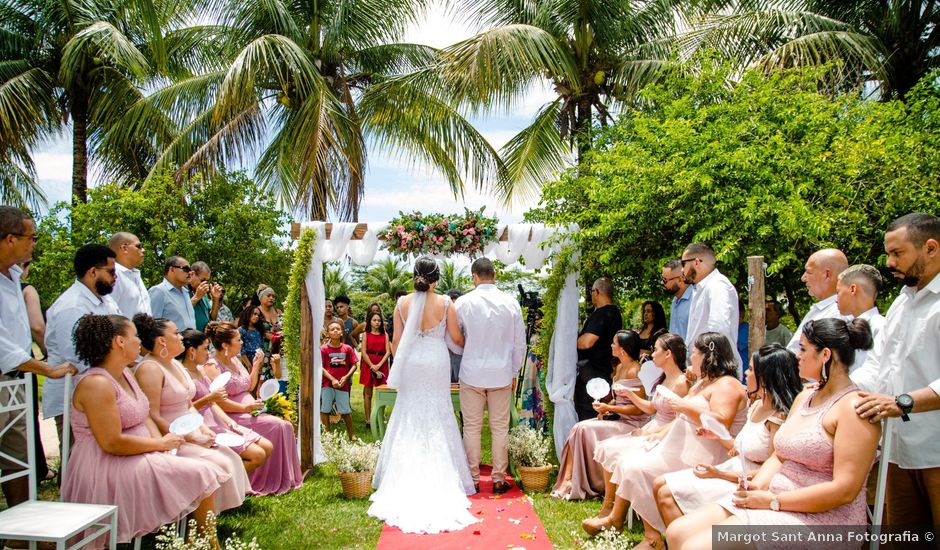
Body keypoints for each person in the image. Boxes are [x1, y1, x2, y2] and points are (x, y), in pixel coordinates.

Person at [666, 318, 879, 550]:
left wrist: (775, 501)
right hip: (774, 497)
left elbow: (845, 490)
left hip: (825, 519)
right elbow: (779, 455)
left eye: (803, 349)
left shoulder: (854, 409)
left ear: (825, 355)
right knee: (677, 533)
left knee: (695, 547)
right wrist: (757, 486)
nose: (797, 355)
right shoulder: (804, 397)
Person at [64, 314, 226, 547]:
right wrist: (160, 445)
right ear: (120, 341)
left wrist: (163, 443)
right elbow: (112, 443)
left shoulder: (125, 374)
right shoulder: (97, 384)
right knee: (201, 473)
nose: (139, 341)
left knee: (203, 470)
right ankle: (207, 545)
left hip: (139, 452)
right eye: (135, 336)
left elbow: (143, 415)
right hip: (106, 465)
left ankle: (199, 542)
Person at [584, 332, 748, 550]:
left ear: (708, 356)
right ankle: (648, 534)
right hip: (676, 447)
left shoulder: (727, 385)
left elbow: (721, 422)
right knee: (627, 464)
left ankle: (651, 538)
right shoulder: (703, 383)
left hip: (705, 455)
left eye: (696, 354)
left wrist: (683, 406)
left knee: (635, 469)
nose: (691, 359)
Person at [368, 256, 477, 533]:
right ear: (436, 279)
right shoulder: (445, 303)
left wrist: (400, 366)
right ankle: (442, 476)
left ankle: (403, 477)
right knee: (439, 412)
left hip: (413, 361)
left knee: (409, 413)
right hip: (436, 361)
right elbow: (455, 338)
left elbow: (395, 342)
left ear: (413, 275)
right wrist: (469, 343)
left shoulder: (401, 303)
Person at [851, 213, 940, 527]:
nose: (889, 262)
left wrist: (901, 402)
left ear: (931, 248)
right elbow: (881, 364)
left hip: (935, 451)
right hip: (897, 449)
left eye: (897, 253)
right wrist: (841, 392)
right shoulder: (903, 302)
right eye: (888, 253)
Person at [654, 344, 802, 528]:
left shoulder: (778, 418)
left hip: (746, 482)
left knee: (666, 494)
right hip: (732, 469)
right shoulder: (756, 406)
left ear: (766, 376)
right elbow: (743, 448)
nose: (745, 374)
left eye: (750, 369)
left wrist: (719, 473)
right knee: (659, 484)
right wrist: (718, 437)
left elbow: (770, 473)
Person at [132, 314, 249, 511]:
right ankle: (199, 521)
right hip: (171, 436)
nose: (180, 337)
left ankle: (212, 515)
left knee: (231, 458)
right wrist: (189, 438)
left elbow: (188, 404)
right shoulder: (149, 369)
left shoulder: (175, 364)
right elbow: (152, 415)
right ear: (162, 341)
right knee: (218, 462)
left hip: (192, 429)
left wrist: (203, 429)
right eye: (175, 333)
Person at [0, 206, 75, 514]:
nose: (34, 243)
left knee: (19, 458)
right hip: (7, 375)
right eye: (31, 237)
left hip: (16, 381)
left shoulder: (14, 277)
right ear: (8, 239)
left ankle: (22, 530)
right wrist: (47, 369)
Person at [591, 333, 689, 520]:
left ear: (668, 354)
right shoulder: (664, 378)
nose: (652, 354)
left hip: (666, 437)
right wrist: (630, 393)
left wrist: (651, 433)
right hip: (652, 427)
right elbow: (651, 407)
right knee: (606, 449)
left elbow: (681, 421)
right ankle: (609, 506)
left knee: (618, 454)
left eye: (656, 349)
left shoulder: (682, 383)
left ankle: (615, 516)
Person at [203, 321, 303, 495]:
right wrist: (245, 408)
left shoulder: (235, 360)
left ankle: (285, 477)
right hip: (231, 415)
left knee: (285, 425)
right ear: (225, 345)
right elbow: (217, 402)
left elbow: (248, 386)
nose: (242, 343)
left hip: (249, 410)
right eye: (238, 340)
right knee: (279, 426)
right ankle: (261, 480)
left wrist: (256, 366)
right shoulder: (212, 366)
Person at [551, 330, 651, 500]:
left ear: (623, 350)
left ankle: (580, 481)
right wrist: (606, 408)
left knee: (582, 428)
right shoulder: (619, 367)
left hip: (633, 423)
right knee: (578, 428)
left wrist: (610, 408)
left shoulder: (636, 371)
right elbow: (618, 400)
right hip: (618, 419)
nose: (611, 345)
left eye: (614, 343)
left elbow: (638, 409)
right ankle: (569, 480)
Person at [455, 257, 526, 494]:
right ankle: (498, 479)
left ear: (474, 276)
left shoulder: (463, 302)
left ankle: (473, 479)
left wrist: (466, 352)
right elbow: (520, 344)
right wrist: (514, 370)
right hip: (501, 372)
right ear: (494, 275)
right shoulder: (511, 303)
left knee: (472, 428)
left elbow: (453, 339)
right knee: (499, 428)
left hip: (472, 371)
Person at [44, 244, 122, 440]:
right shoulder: (71, 306)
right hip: (74, 399)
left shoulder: (107, 301)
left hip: (104, 391)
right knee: (78, 458)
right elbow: (78, 357)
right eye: (111, 271)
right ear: (93, 272)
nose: (116, 277)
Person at [178, 328, 272, 474]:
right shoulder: (183, 374)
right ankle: (226, 484)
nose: (208, 352)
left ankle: (235, 484)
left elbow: (214, 403)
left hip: (218, 417)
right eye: (204, 349)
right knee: (257, 455)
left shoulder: (200, 370)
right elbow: (186, 409)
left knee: (267, 447)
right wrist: (209, 399)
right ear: (192, 351)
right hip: (202, 423)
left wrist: (228, 421)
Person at [18, 261, 54, 484]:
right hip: (20, 365)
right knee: (25, 423)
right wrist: (47, 353)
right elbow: (38, 327)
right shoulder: (26, 290)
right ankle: (36, 470)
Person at [681, 243, 742, 374]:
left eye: (683, 263)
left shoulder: (717, 286)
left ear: (696, 262)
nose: (682, 270)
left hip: (715, 369)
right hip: (703, 368)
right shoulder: (701, 288)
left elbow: (718, 329)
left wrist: (704, 364)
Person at [575, 277, 623, 420]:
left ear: (596, 292)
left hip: (592, 374)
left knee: (589, 414)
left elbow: (587, 342)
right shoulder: (616, 313)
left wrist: (573, 341)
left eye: (591, 292)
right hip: (604, 370)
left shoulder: (602, 314)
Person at [786, 248, 849, 354]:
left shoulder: (838, 313)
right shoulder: (822, 309)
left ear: (827, 274)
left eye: (809, 272)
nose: (803, 278)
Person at [834, 264, 885, 372]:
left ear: (853, 289)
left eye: (838, 292)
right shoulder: (847, 326)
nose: (836, 300)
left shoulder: (880, 327)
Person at [320, 319, 358, 440]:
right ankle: (327, 435)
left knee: (345, 410)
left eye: (338, 329)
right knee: (325, 409)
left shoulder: (347, 348)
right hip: (327, 384)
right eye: (332, 329)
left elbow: (354, 364)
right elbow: (321, 367)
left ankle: (352, 434)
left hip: (343, 385)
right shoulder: (324, 349)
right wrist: (332, 379)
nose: (335, 330)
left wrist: (346, 377)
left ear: (342, 333)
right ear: (328, 333)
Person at [108, 232, 151, 318]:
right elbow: (109, 314)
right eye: (139, 246)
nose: (143, 250)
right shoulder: (113, 275)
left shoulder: (134, 274)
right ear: (124, 248)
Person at [360, 310, 391, 430]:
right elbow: (363, 351)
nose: (377, 322)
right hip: (368, 363)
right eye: (374, 320)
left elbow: (388, 352)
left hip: (381, 363)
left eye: (379, 320)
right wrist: (372, 365)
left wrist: (378, 365)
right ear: (370, 321)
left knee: (381, 393)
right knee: (368, 393)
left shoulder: (385, 335)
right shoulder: (366, 334)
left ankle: (380, 417)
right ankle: (368, 419)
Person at [148, 256, 197, 331]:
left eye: (190, 270)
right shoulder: (158, 291)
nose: (190, 273)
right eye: (186, 269)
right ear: (172, 270)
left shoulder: (186, 292)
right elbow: (152, 326)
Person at [662, 260, 694, 341]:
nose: (662, 283)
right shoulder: (675, 300)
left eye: (665, 280)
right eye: (661, 278)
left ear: (680, 279)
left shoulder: (696, 299)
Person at [189, 262, 223, 331]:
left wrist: (215, 298)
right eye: (202, 280)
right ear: (192, 274)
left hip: (204, 338)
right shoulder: (181, 290)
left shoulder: (204, 295)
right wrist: (196, 297)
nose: (205, 284)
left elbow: (212, 318)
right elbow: (180, 313)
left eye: (207, 281)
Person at [444, 289, 463, 384]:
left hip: (461, 354)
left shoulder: (464, 316)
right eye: (452, 301)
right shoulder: (441, 314)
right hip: (444, 353)